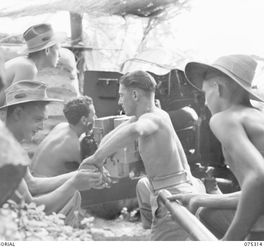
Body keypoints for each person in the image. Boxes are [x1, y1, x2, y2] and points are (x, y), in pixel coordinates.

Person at [80, 70, 205, 240]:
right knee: (143, 184)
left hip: (175, 197)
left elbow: (136, 130)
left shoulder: (151, 120)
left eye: (121, 95)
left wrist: (97, 159)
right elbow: (116, 132)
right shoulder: (157, 114)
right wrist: (98, 158)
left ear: (135, 95)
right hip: (180, 186)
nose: (119, 101)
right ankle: (152, 221)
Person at [170, 54, 264, 240]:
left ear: (218, 88)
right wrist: (202, 199)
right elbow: (257, 192)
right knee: (207, 212)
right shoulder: (256, 116)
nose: (205, 102)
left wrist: (231, 240)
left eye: (205, 94)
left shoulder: (225, 118)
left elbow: (259, 176)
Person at [0, 80, 103, 226]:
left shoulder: (13, 145)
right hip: (8, 224)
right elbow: (29, 210)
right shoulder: (3, 150)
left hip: (18, 214)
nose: (42, 127)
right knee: (72, 194)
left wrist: (79, 175)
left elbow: (32, 184)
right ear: (18, 113)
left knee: (73, 196)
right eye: (38, 119)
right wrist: (73, 183)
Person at [31, 96, 96, 177]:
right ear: (84, 120)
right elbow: (88, 167)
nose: (95, 118)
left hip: (35, 176)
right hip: (42, 185)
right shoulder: (72, 143)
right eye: (93, 115)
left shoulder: (61, 126)